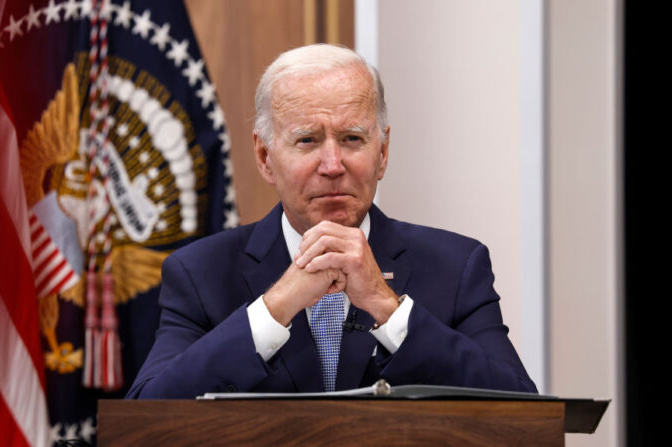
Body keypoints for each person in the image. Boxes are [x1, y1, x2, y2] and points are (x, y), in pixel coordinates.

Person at [126, 44, 536, 399]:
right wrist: (274, 307)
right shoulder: (200, 272)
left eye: (352, 139)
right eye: (307, 140)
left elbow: (524, 413)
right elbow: (147, 415)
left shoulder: (457, 266)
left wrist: (387, 309)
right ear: (265, 157)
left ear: (383, 152)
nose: (333, 165)